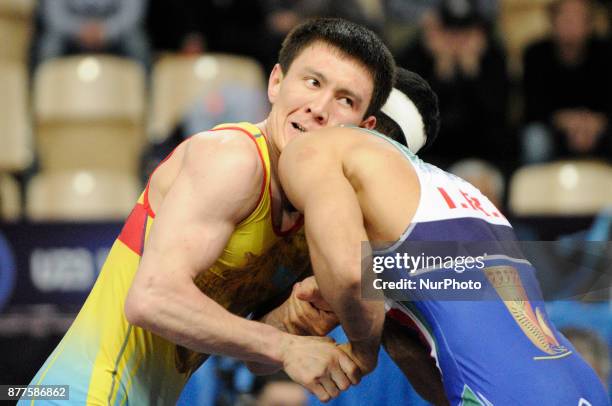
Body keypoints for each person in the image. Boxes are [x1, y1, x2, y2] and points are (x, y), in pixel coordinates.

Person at [21, 18, 395, 405]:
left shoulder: (313, 213)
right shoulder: (232, 159)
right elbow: (151, 298)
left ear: (363, 128)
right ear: (277, 83)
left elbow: (257, 362)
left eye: (345, 100)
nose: (319, 108)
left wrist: (293, 319)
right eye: (313, 82)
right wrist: (284, 345)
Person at [263, 68, 608, 405]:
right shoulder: (466, 194)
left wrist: (360, 352)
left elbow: (350, 276)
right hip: (580, 382)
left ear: (365, 125)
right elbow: (419, 359)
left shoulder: (326, 154)